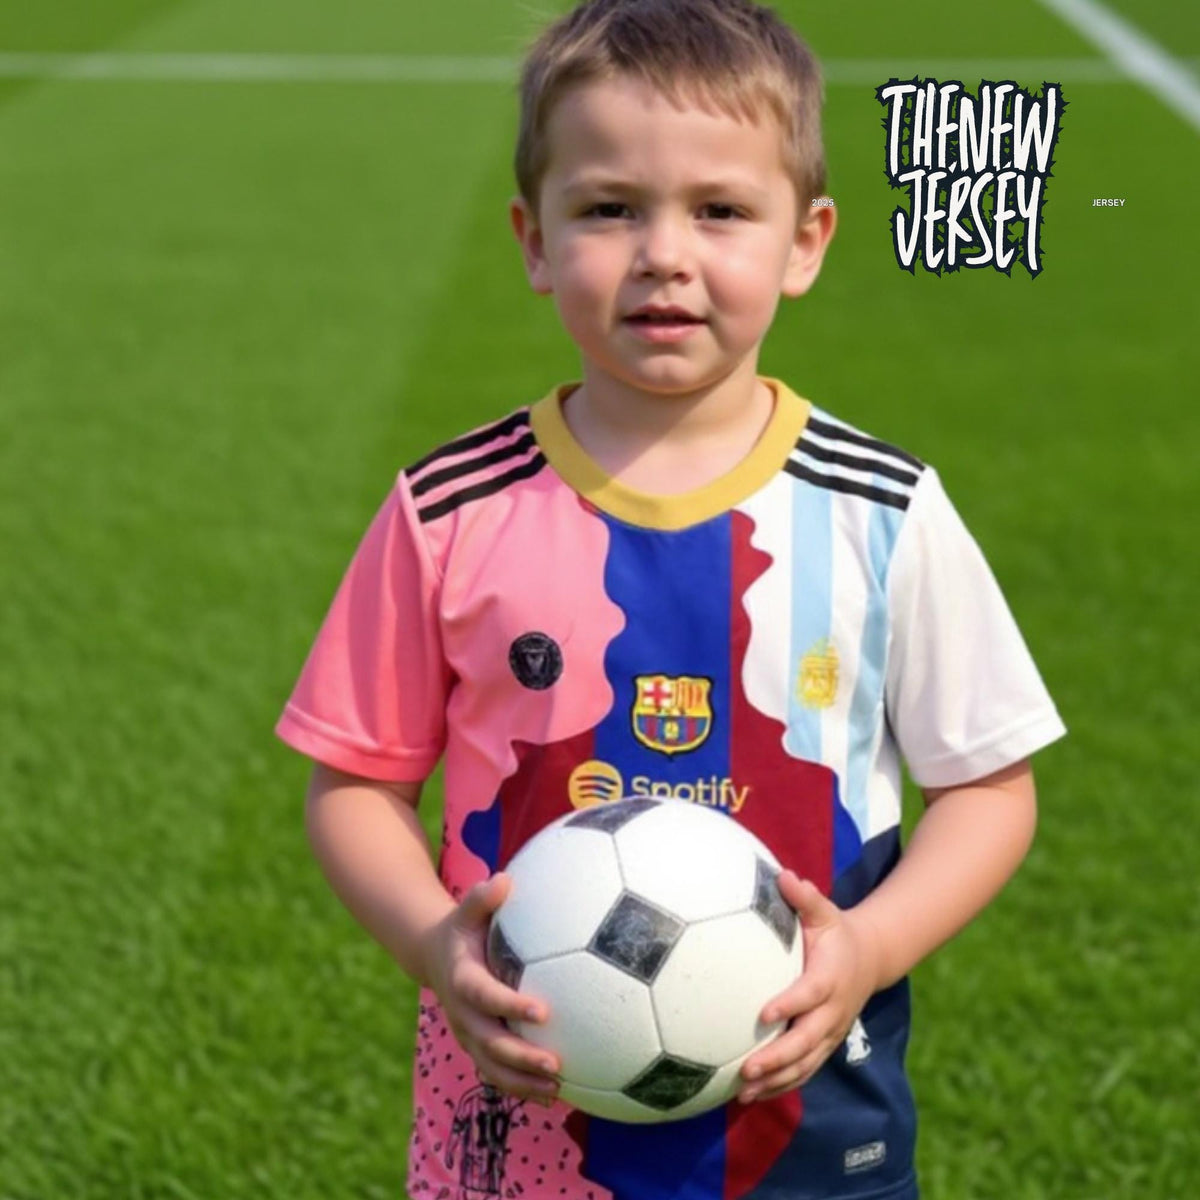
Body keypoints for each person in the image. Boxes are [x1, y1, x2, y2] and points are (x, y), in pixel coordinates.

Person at [275, 1, 1066, 1197]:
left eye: (720, 210)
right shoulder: (450, 510)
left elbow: (989, 787)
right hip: (518, 1120)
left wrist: (874, 948)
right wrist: (439, 949)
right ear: (533, 242)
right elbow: (356, 784)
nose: (664, 253)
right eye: (607, 208)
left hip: (808, 1117)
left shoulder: (882, 509)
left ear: (805, 243)